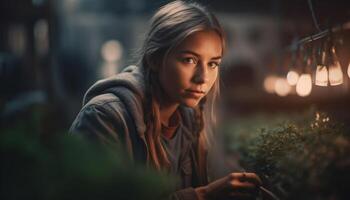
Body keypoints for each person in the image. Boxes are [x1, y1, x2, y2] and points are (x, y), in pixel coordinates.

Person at [69, 1, 262, 199]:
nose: (203, 77)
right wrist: (203, 195)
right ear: (155, 58)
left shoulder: (191, 122)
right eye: (190, 60)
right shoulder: (104, 117)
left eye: (213, 64)